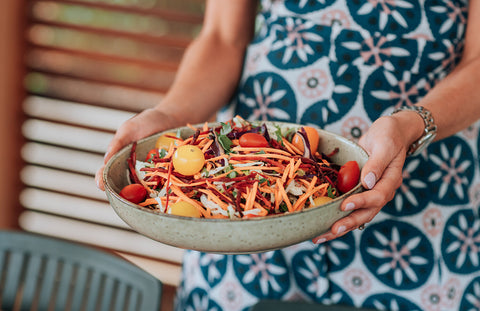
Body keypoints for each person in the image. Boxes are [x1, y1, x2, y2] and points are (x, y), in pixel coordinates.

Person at [96, 0, 480, 310]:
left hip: (420, 190)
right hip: (237, 198)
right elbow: (222, 37)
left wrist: (412, 125)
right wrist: (171, 115)